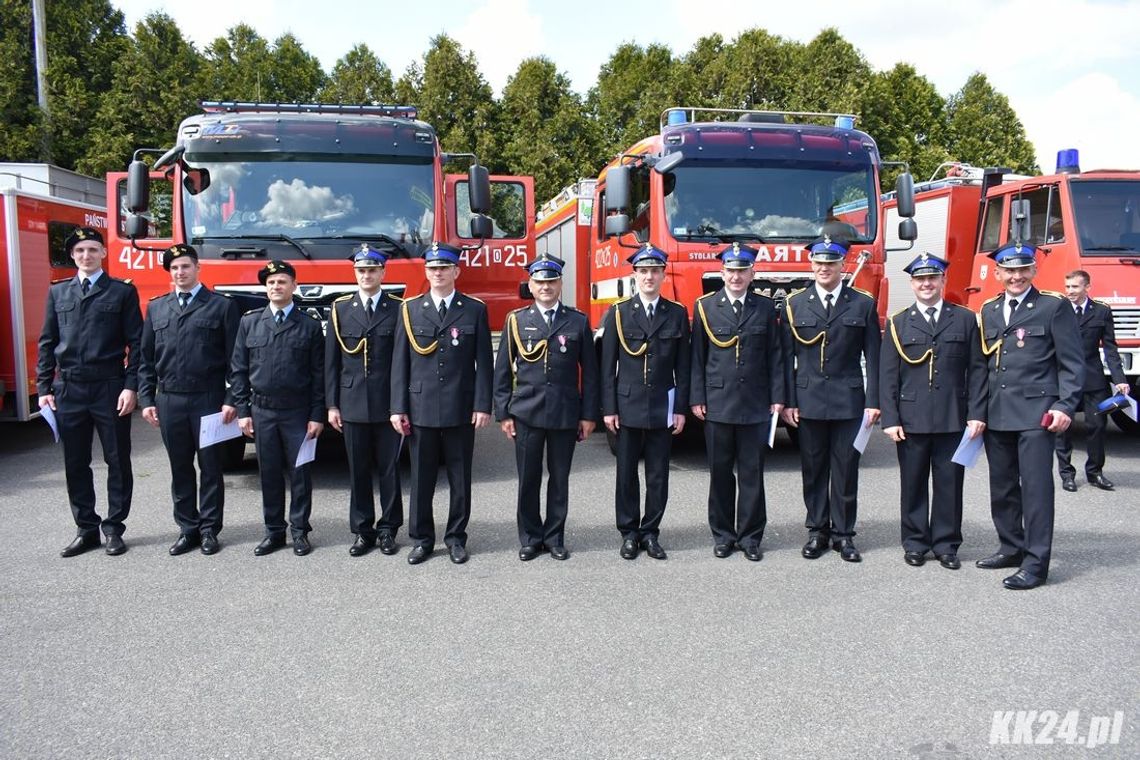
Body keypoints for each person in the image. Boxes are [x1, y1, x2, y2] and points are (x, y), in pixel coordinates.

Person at [976, 243, 1083, 590]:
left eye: (1023, 270)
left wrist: (1064, 406)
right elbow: (983, 367)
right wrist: (977, 413)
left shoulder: (1053, 307)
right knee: (1003, 488)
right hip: (997, 414)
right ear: (998, 274)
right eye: (1009, 270)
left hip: (1037, 414)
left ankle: (1036, 564)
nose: (1016, 276)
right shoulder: (989, 310)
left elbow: (1071, 362)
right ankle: (1011, 547)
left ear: (1034, 272)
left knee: (1036, 491)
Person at [37, 227, 143, 557]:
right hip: (69, 388)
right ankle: (86, 528)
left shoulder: (122, 292)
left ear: (103, 254)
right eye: (80, 250)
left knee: (117, 460)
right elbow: (47, 342)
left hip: (109, 386)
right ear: (72, 255)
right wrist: (43, 387)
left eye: (93, 249)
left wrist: (130, 386)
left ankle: (113, 528)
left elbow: (137, 343)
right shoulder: (58, 293)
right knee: (75, 461)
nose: (87, 255)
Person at [879, 254, 986, 570]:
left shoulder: (965, 319)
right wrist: (890, 418)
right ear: (912, 284)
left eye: (932, 279)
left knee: (950, 484)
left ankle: (946, 544)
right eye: (920, 279)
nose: (926, 284)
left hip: (953, 417)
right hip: (910, 420)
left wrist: (977, 413)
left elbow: (977, 371)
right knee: (912, 484)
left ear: (943, 282)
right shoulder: (899, 322)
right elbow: (888, 375)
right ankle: (914, 543)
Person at [390, 243, 493, 565]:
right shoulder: (409, 309)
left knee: (460, 480)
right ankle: (422, 539)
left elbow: (484, 364)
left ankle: (456, 538)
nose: (438, 273)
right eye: (433, 268)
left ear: (456, 271)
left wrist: (482, 405)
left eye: (444, 268)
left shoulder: (474, 309)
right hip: (420, 410)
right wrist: (398, 407)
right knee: (421, 481)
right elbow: (399, 363)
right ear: (426, 272)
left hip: (461, 409)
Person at [780, 236, 881, 563]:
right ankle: (817, 531)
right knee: (813, 469)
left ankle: (844, 535)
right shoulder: (795, 304)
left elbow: (874, 358)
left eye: (831, 263)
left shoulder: (862, 304)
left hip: (848, 401)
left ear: (842, 265)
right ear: (812, 265)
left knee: (846, 469)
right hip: (808, 400)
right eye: (819, 263)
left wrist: (874, 401)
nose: (825, 268)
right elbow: (785, 359)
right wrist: (789, 401)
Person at [493, 254, 599, 561]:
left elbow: (590, 373)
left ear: (560, 284)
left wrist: (588, 415)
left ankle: (554, 537)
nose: (546, 287)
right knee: (528, 478)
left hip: (565, 414)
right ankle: (529, 537)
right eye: (539, 282)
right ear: (531, 284)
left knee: (560, 478)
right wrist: (504, 413)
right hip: (526, 413)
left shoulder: (577, 321)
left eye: (551, 281)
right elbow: (502, 372)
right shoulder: (517, 320)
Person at [138, 244, 241, 556]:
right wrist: (147, 399)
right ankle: (187, 528)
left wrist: (231, 398)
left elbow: (236, 360)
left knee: (210, 467)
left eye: (185, 266)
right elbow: (146, 360)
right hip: (169, 400)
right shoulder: (157, 308)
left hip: (209, 400)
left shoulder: (221, 306)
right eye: (174, 268)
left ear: (198, 268)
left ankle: (210, 529)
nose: (180, 272)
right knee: (180, 467)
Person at [690, 243, 784, 561]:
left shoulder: (766, 308)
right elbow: (697, 359)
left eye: (742, 270)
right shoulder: (705, 307)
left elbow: (775, 356)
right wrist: (697, 397)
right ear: (722, 272)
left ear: (752, 273)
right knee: (719, 473)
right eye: (731, 270)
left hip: (756, 404)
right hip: (717, 403)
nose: (736, 276)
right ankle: (723, 535)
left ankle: (750, 537)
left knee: (751, 473)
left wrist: (777, 398)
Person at [600, 243, 690, 560]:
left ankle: (651, 532)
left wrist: (680, 408)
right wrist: (608, 408)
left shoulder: (676, 314)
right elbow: (606, 365)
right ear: (634, 275)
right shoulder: (619, 313)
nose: (649, 276)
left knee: (657, 474)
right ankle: (628, 533)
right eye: (643, 271)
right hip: (626, 407)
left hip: (661, 407)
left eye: (654, 271)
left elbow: (684, 366)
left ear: (663, 274)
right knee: (626, 473)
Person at [231, 260, 325, 556]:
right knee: (269, 473)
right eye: (271, 283)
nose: (276, 287)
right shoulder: (249, 322)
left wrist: (316, 415)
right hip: (262, 411)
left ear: (294, 286)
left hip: (297, 412)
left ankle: (299, 531)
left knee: (300, 474)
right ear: (265, 288)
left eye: (282, 282)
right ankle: (274, 532)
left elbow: (319, 375)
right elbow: (239, 370)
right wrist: (243, 411)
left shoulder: (308, 326)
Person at [327, 245, 405, 557]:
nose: (367, 275)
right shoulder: (341, 308)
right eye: (361, 270)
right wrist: (332, 404)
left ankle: (388, 529)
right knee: (358, 470)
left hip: (387, 402)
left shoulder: (399, 308)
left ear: (383, 273)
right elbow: (331, 361)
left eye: (372, 270)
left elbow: (402, 362)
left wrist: (401, 404)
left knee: (389, 470)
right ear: (355, 273)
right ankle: (362, 530)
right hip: (352, 401)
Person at [1054, 270, 1129, 492]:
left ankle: (1095, 472)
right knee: (1062, 429)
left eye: (1075, 287)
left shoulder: (1102, 311)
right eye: (1067, 287)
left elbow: (1110, 348)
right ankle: (1067, 474)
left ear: (1087, 287)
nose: (1070, 292)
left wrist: (1120, 380)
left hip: (1093, 378)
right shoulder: (1059, 309)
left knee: (1096, 426)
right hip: (1064, 378)